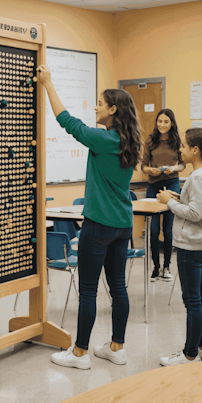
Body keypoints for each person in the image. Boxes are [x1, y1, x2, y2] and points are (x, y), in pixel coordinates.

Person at [38, 65, 143, 370]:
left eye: (99, 103)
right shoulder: (128, 140)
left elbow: (67, 121)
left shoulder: (104, 139)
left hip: (98, 225)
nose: (95, 107)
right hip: (123, 225)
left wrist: (48, 84)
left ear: (113, 110)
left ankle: (80, 352)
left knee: (88, 290)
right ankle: (116, 347)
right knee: (118, 287)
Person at [157, 127, 202, 366]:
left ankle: (189, 354)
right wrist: (178, 199)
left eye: (184, 146)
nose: (180, 150)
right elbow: (199, 206)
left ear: (195, 150)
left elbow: (195, 213)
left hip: (191, 246)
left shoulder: (197, 177)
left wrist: (169, 203)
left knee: (193, 301)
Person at [141, 109, 184, 282]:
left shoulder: (177, 141)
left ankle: (166, 267)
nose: (162, 125)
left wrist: (173, 168)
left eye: (166, 122)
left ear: (171, 123)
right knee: (152, 231)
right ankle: (155, 266)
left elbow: (182, 165)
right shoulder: (150, 141)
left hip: (172, 185)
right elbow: (143, 165)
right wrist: (150, 170)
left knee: (168, 230)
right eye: (160, 121)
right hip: (153, 186)